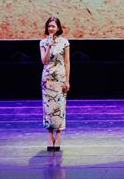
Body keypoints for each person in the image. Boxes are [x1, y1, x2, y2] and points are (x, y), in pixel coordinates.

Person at [40, 16, 70, 151]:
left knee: (59, 107)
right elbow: (44, 61)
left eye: (53, 26)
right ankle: (49, 136)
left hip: (60, 79)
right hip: (47, 79)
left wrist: (67, 80)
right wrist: (49, 46)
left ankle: (58, 136)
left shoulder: (64, 42)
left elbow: (67, 62)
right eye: (49, 26)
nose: (51, 28)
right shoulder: (43, 42)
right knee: (48, 109)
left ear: (58, 28)